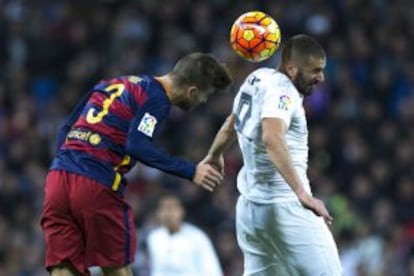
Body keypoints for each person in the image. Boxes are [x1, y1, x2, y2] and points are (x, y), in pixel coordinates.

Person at [40, 52, 233, 276]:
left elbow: (66, 127)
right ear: (192, 91)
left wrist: (64, 163)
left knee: (64, 266)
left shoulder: (115, 83)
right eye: (204, 96)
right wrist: (191, 171)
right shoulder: (157, 98)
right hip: (96, 182)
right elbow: (137, 145)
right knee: (116, 268)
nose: (203, 102)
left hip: (58, 179)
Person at [202, 35, 342, 275]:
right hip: (286, 206)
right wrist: (302, 193)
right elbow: (271, 137)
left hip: (250, 209)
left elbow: (232, 122)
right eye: (315, 71)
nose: (321, 77)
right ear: (291, 68)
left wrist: (214, 154)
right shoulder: (283, 92)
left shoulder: (257, 78)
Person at [145, 194, 223, 276]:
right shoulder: (154, 238)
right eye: (165, 209)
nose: (169, 214)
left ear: (182, 211)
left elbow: (213, 270)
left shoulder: (197, 237)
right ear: (158, 213)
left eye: (173, 208)